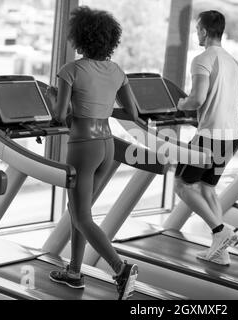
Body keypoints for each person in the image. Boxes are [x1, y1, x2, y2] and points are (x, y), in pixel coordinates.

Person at [47, 6, 139, 300]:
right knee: (80, 213)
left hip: (82, 146)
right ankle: (74, 271)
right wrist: (101, 104)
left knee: (81, 216)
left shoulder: (71, 70)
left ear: (79, 37)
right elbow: (133, 112)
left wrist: (56, 100)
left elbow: (60, 115)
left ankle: (120, 268)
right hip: (107, 144)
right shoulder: (117, 71)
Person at [174, 10, 238, 266]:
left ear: (205, 31)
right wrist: (223, 104)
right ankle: (221, 252)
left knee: (182, 186)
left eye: (198, 29)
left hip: (210, 136)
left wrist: (181, 103)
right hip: (232, 137)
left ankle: (220, 230)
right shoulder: (234, 61)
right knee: (207, 189)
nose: (197, 33)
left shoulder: (202, 59)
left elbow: (196, 98)